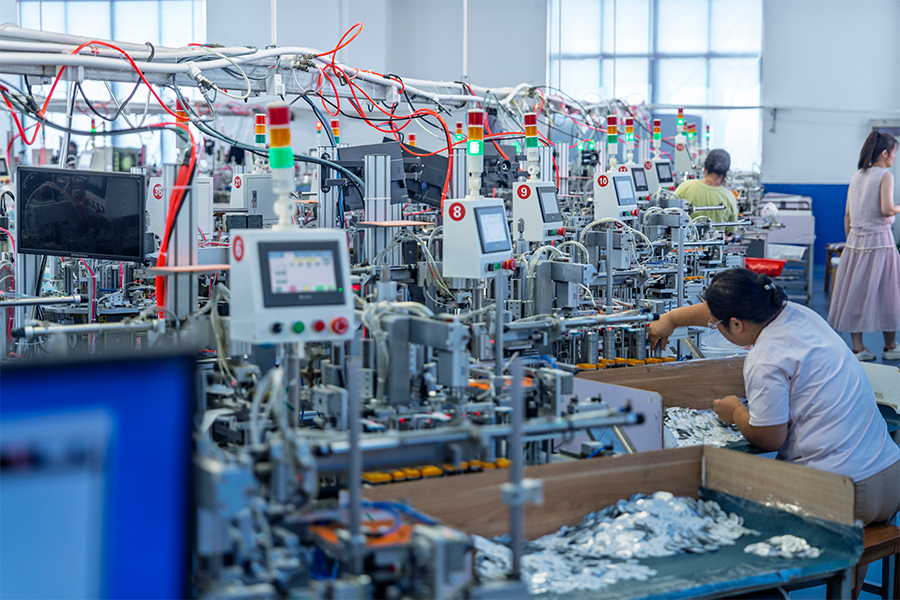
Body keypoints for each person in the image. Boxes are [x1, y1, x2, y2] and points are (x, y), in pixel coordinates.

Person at [649, 267, 900, 527]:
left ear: (736, 324)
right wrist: (672, 319)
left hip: (842, 490)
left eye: (716, 325)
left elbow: (769, 438)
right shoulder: (797, 313)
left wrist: (735, 411)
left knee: (728, 514)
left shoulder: (765, 357)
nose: (713, 325)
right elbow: (724, 311)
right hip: (889, 473)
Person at [827, 131, 900, 361]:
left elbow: (848, 214)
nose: (895, 157)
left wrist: (851, 242)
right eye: (894, 153)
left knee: (855, 294)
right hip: (881, 243)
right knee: (888, 294)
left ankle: (858, 348)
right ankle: (891, 346)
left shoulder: (857, 175)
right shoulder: (885, 176)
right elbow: (887, 210)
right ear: (885, 153)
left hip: (856, 243)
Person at [674, 148, 739, 227]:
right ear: (726, 172)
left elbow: (668, 212)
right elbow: (730, 229)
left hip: (685, 234)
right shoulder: (729, 197)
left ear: (705, 167)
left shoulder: (685, 187)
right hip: (717, 235)